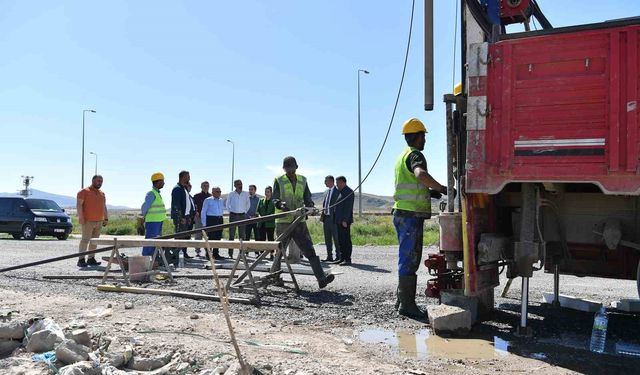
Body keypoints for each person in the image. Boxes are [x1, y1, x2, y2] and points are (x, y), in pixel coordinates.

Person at [393, 118, 449, 319]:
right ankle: (406, 305)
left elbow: (413, 184)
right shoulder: (416, 155)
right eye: (423, 136)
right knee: (410, 258)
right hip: (410, 216)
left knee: (406, 256)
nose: (425, 140)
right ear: (417, 137)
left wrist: (430, 193)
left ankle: (401, 300)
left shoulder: (403, 156)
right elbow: (420, 174)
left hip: (402, 213)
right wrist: (441, 188)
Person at [271, 156, 334, 289]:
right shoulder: (279, 180)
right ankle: (274, 278)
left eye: (292, 170)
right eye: (288, 170)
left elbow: (307, 197)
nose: (290, 172)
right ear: (284, 169)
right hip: (283, 221)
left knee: (309, 249)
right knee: (279, 251)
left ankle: (321, 279)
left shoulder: (303, 180)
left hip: (299, 221)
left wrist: (310, 206)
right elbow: (274, 199)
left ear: (296, 168)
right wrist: (280, 204)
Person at [76, 175, 108, 267]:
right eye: (98, 181)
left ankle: (91, 258)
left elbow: (104, 206)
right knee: (85, 240)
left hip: (99, 221)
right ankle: (81, 259)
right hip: (88, 221)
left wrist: (106, 218)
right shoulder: (84, 192)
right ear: (93, 181)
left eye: (101, 181)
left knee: (95, 241)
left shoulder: (102, 193)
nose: (100, 182)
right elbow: (79, 205)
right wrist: (81, 217)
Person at [171, 171, 195, 265]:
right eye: (188, 176)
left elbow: (187, 203)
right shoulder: (177, 189)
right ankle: (175, 257)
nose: (189, 178)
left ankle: (182, 255)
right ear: (182, 177)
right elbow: (177, 205)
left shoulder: (184, 188)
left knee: (184, 237)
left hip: (186, 217)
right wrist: (181, 217)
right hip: (180, 218)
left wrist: (188, 216)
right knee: (179, 236)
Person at [141, 172, 166, 257]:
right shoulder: (151, 193)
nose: (164, 183)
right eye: (163, 181)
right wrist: (143, 218)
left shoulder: (157, 193)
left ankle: (154, 259)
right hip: (152, 222)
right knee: (150, 242)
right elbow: (144, 207)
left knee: (156, 242)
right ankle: (146, 259)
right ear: (158, 182)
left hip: (158, 221)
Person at [226, 179, 250, 258]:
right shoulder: (231, 194)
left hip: (242, 216)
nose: (240, 185)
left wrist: (244, 211)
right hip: (233, 216)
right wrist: (231, 211)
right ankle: (230, 254)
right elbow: (227, 204)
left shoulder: (245, 194)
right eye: (238, 184)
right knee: (231, 235)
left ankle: (241, 254)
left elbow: (248, 204)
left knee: (242, 235)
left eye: (241, 183)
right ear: (235, 185)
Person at [333, 176, 354, 266]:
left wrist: (345, 220)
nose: (336, 185)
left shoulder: (348, 192)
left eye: (338, 183)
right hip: (339, 220)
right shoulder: (341, 192)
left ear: (343, 182)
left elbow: (348, 208)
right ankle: (342, 258)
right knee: (340, 240)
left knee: (346, 240)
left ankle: (347, 259)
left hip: (344, 221)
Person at [200, 186, 225, 260]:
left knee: (218, 237)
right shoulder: (208, 200)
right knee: (211, 237)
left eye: (220, 191)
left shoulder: (221, 200)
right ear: (213, 192)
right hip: (211, 220)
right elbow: (203, 212)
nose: (219, 193)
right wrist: (204, 224)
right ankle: (208, 254)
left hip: (219, 219)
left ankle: (216, 254)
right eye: (217, 191)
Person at [320, 175, 340, 262]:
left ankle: (338, 256)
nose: (324, 183)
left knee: (336, 238)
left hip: (334, 219)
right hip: (326, 218)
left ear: (331, 181)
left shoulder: (337, 191)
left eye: (326, 181)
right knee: (327, 238)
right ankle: (329, 256)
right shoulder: (327, 192)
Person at [256, 186, 275, 260]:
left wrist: (270, 216)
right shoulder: (261, 200)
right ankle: (261, 253)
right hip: (261, 223)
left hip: (270, 223)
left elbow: (275, 212)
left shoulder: (273, 201)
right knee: (261, 239)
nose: (266, 193)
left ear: (271, 192)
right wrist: (259, 216)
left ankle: (271, 254)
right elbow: (257, 211)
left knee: (270, 239)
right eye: (265, 192)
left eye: (268, 192)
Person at [193, 181, 211, 257]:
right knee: (198, 235)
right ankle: (197, 251)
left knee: (207, 235)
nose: (206, 187)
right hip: (199, 218)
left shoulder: (211, 196)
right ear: (201, 186)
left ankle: (208, 251)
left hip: (208, 218)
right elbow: (193, 206)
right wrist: (196, 212)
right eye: (204, 185)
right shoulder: (197, 196)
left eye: (207, 186)